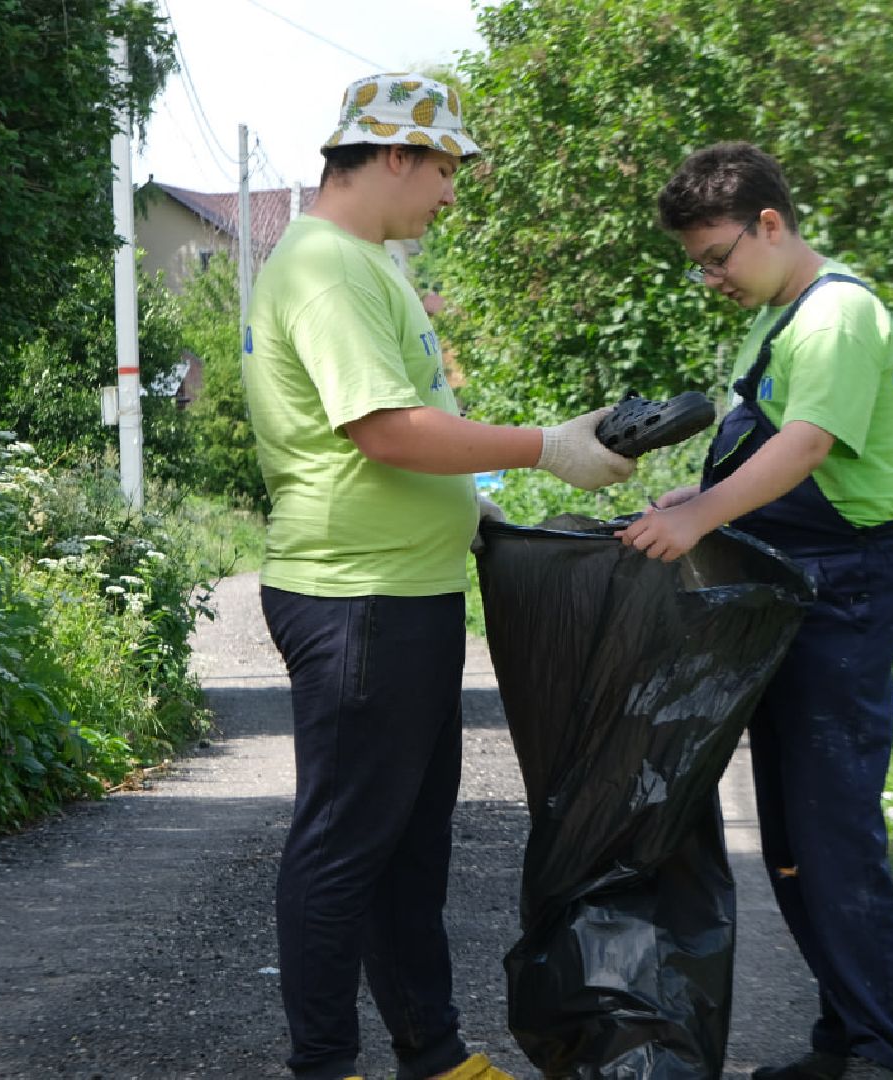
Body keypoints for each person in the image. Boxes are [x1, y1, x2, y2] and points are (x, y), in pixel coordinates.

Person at [241, 72, 635, 1080]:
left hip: (400, 592)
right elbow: (384, 429)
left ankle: (435, 1056)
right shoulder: (326, 267)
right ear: (395, 154)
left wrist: (471, 505)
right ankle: (325, 1066)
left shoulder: (364, 264)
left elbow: (394, 427)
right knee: (343, 846)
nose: (452, 193)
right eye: (446, 168)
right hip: (356, 597)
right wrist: (548, 445)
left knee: (407, 848)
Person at [618, 142, 893, 1080]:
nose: (711, 277)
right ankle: (842, 1042)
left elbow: (806, 444)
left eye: (717, 257)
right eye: (699, 264)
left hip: (842, 587)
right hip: (794, 579)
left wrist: (702, 515)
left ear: (770, 223)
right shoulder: (778, 318)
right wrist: (697, 499)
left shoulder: (834, 316)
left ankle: (882, 1053)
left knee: (832, 831)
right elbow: (765, 449)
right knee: (791, 835)